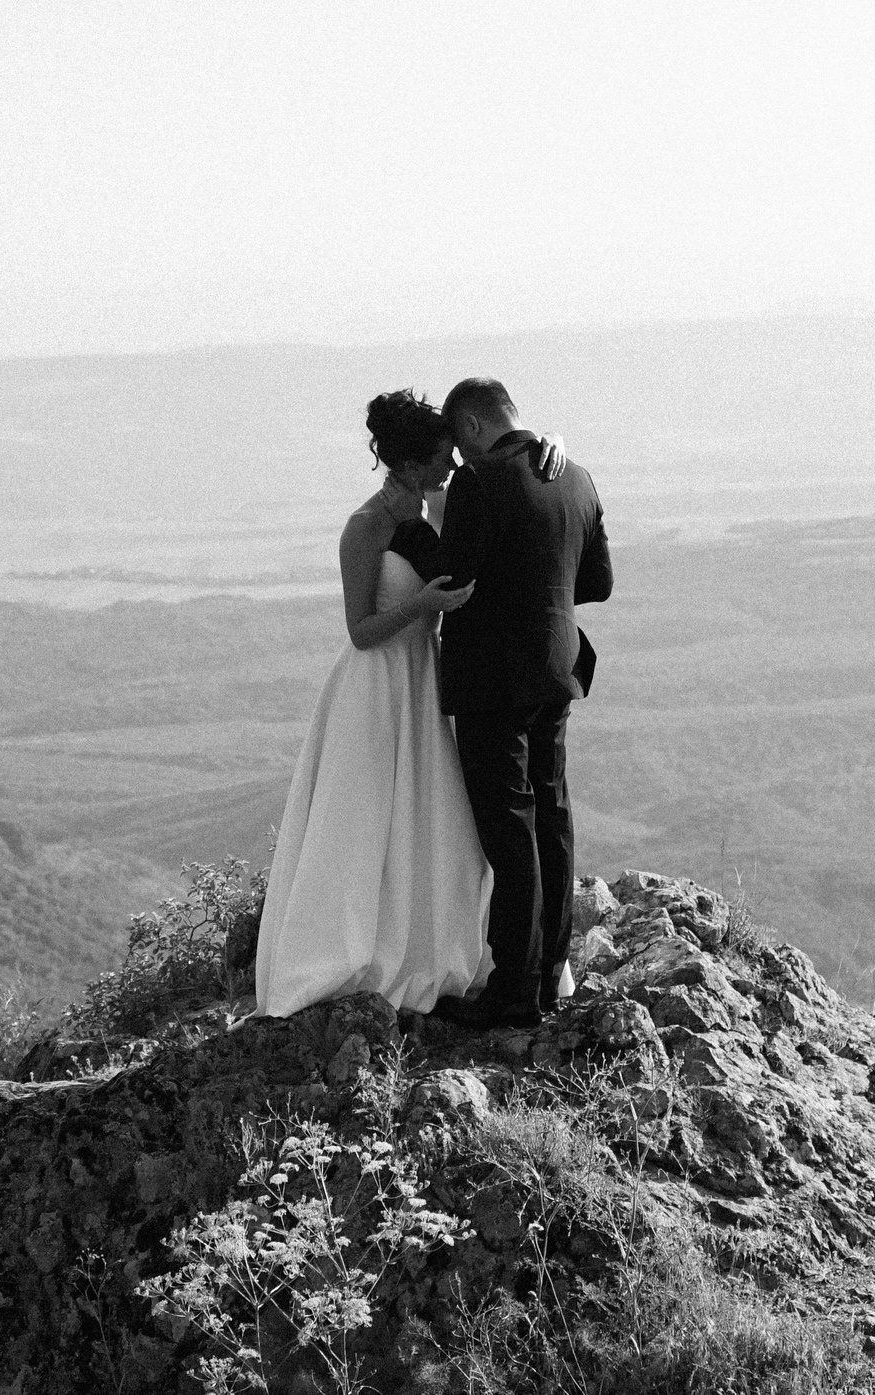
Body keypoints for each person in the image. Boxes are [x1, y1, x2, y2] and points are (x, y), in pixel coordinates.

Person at [252, 390, 493, 1017]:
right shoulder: (364, 528)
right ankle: (352, 951)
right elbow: (359, 629)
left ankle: (428, 945)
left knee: (432, 816)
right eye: (442, 456)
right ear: (411, 464)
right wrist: (424, 607)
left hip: (425, 678)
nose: (452, 464)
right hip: (376, 683)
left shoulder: (439, 507)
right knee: (363, 823)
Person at [428, 377, 612, 1030]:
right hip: (556, 669)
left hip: (491, 678)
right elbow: (598, 582)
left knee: (511, 828)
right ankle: (550, 975)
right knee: (552, 814)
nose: (457, 460)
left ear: (474, 427)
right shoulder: (579, 478)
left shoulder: (480, 485)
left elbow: (453, 578)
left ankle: (513, 991)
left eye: (458, 443)